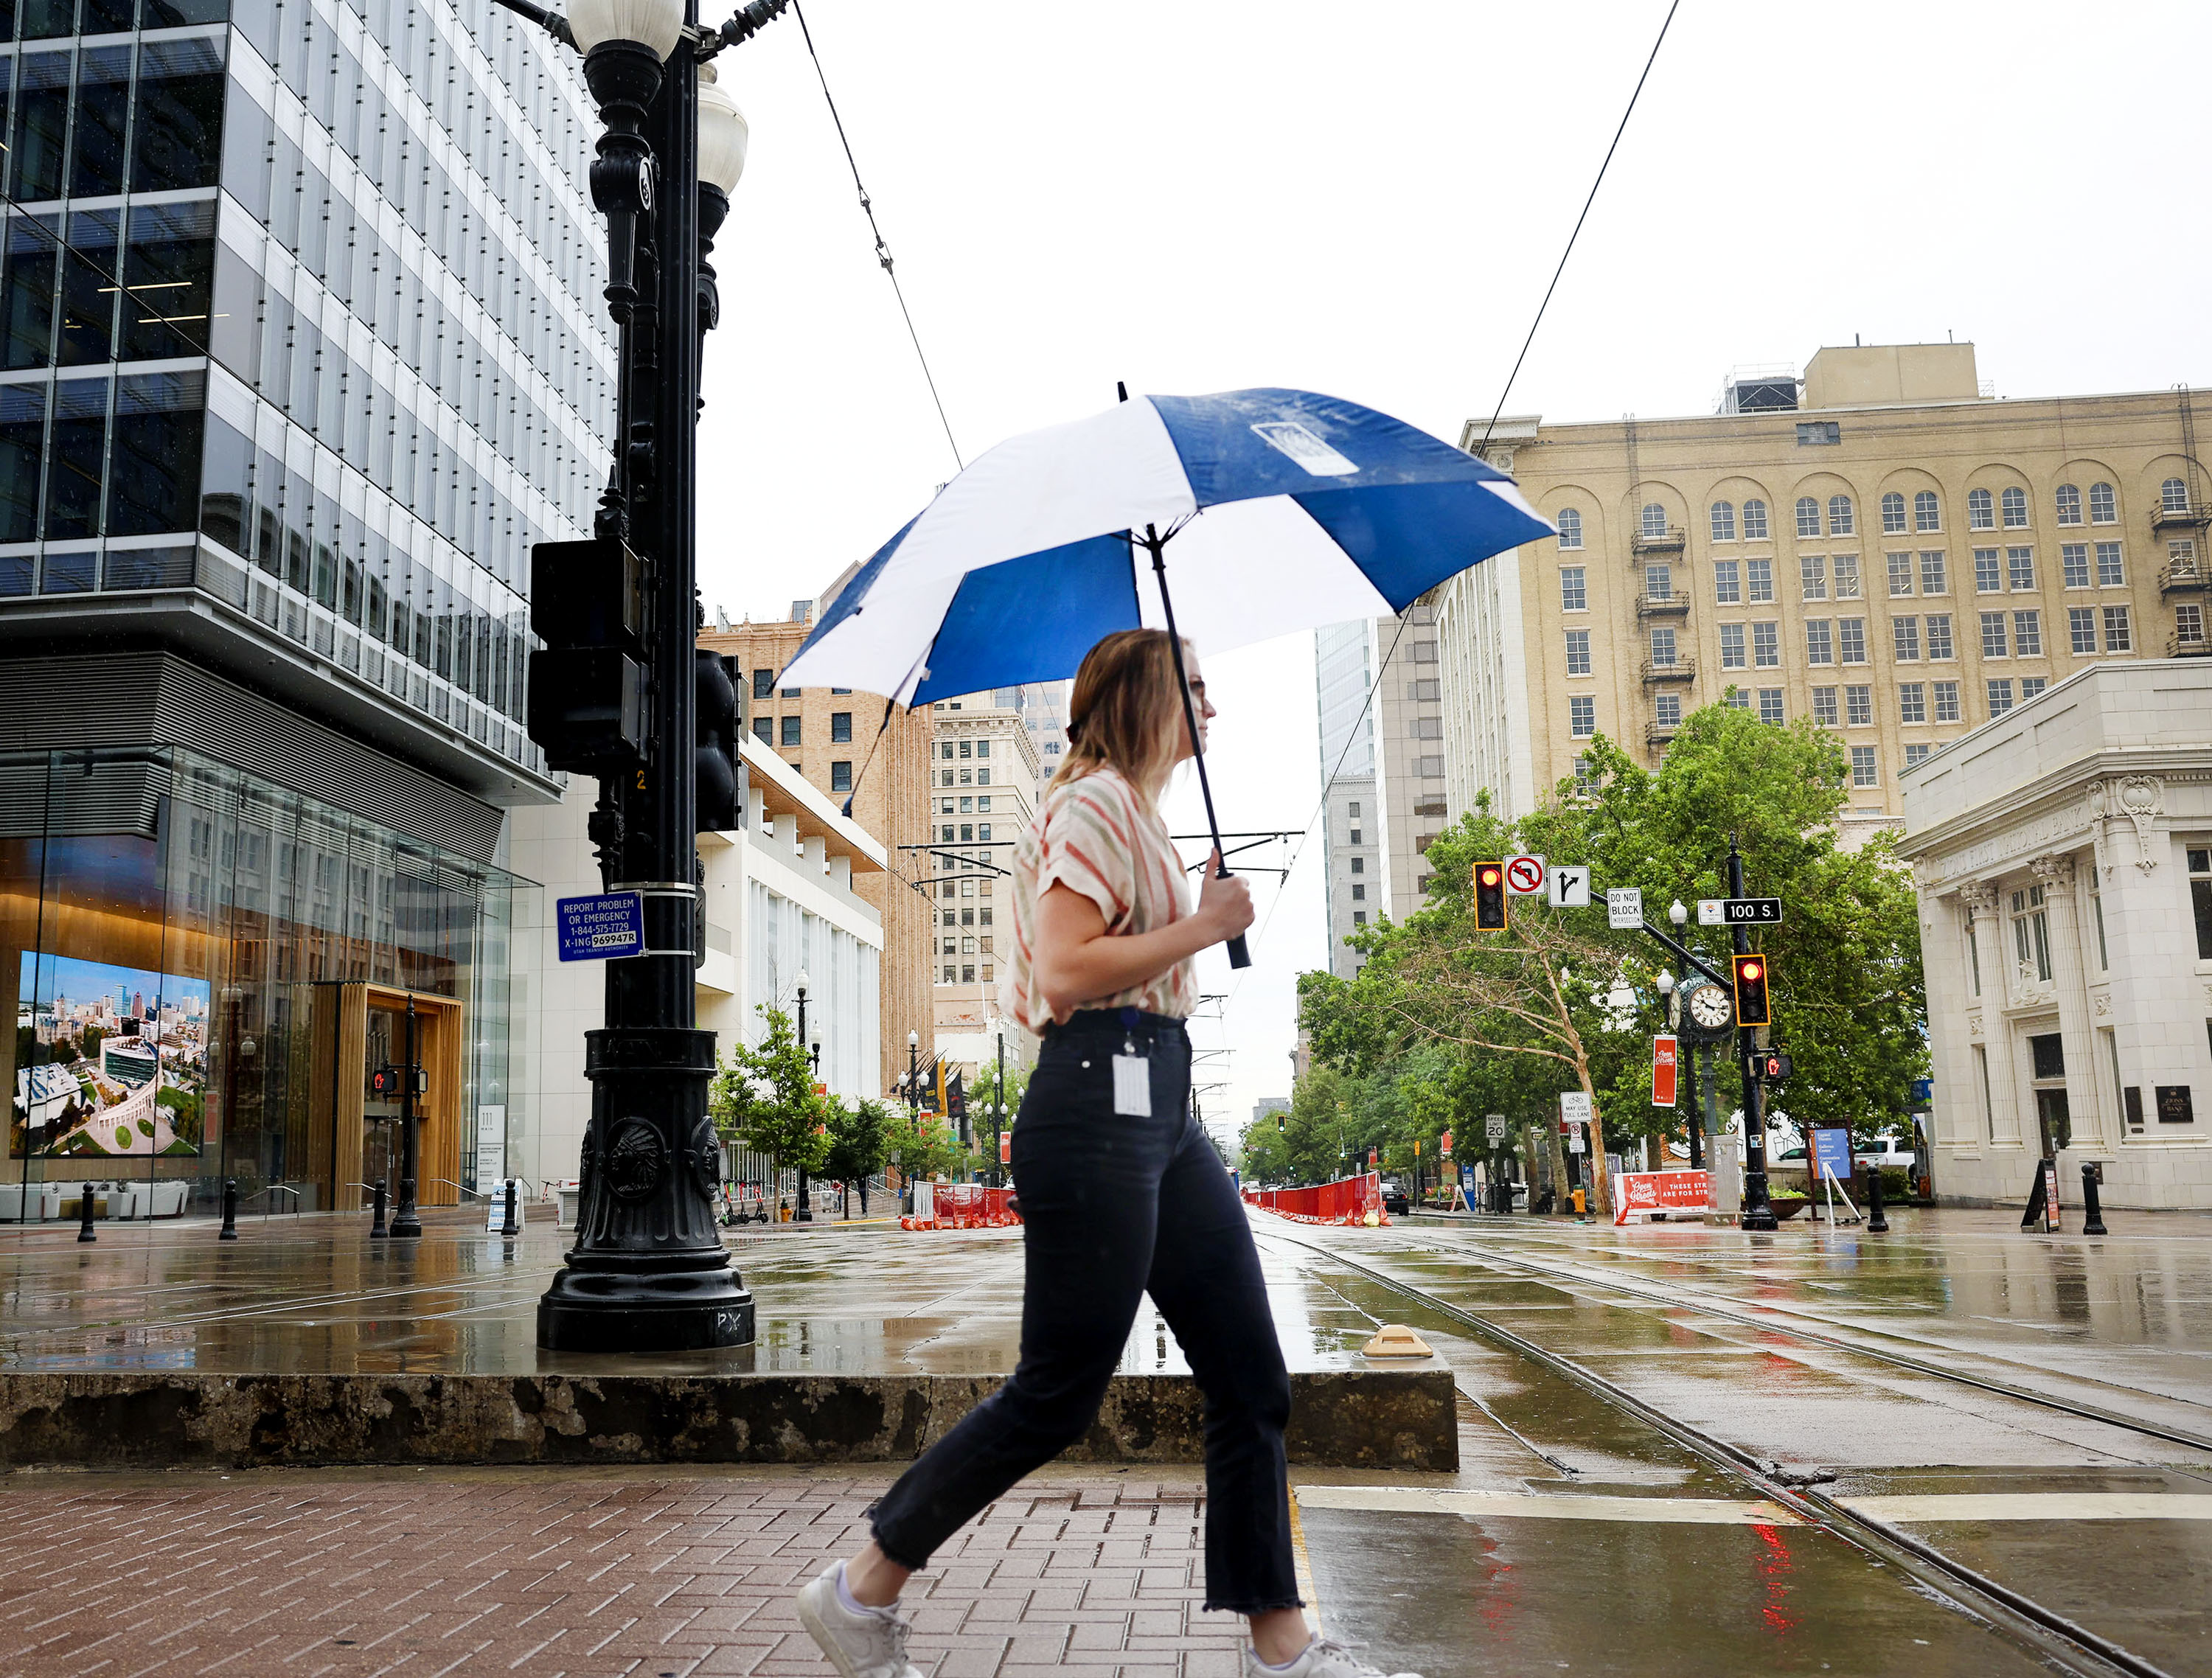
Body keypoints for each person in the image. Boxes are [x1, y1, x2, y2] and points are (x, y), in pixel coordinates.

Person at [796, 629, 1418, 1678]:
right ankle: (861, 1587)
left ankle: (1284, 1646)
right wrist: (1206, 922)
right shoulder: (1091, 805)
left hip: (1160, 1110)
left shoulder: (1138, 817)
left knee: (1249, 1373)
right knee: (1059, 1390)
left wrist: (1192, 904)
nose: (1212, 712)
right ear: (1139, 698)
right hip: (1096, 1100)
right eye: (1197, 690)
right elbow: (1071, 966)